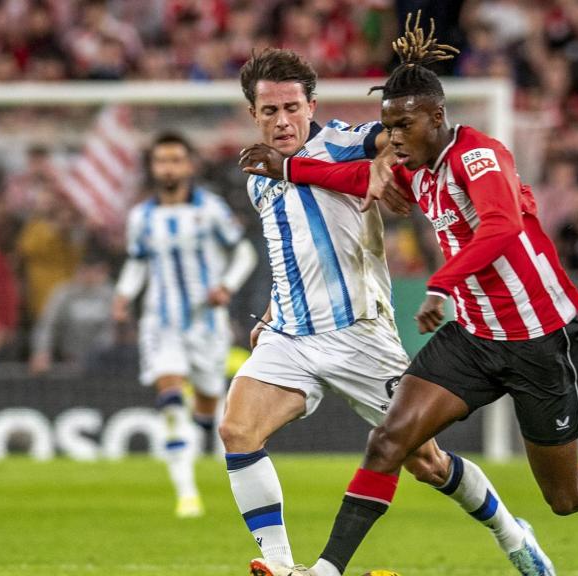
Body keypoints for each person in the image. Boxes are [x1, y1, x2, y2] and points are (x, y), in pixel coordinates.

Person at [241, 13, 578, 576]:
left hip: (539, 339)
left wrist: (440, 284)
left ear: (437, 117)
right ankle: (325, 571)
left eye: (404, 128)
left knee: (565, 495)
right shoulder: (418, 171)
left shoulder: (478, 154)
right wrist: (288, 167)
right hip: (474, 337)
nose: (394, 141)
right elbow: (358, 178)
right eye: (389, 128)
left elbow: (500, 228)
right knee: (389, 442)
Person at [228, 47, 548, 576]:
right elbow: (296, 250)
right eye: (269, 111)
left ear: (311, 105)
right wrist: (270, 310)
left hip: (362, 336)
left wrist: (383, 159)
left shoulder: (343, 141)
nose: (282, 121)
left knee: (428, 463)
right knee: (237, 430)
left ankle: (512, 534)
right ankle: (281, 566)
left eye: (291, 107)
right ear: (253, 115)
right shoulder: (258, 174)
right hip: (290, 334)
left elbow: (396, 143)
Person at [112, 132, 257, 518]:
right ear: (153, 167)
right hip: (160, 322)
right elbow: (137, 261)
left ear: (189, 165)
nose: (169, 167)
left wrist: (226, 287)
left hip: (206, 324)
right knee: (171, 398)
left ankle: (204, 430)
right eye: (162, 161)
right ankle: (186, 494)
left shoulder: (209, 209)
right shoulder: (140, 216)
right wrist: (125, 294)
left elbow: (243, 252)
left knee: (208, 400)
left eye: (176, 160)